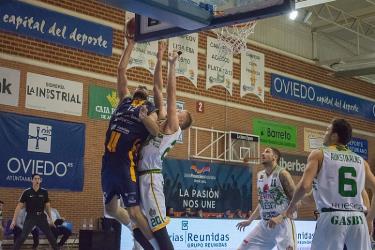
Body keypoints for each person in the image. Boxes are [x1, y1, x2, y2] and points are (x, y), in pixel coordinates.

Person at [101, 32, 160, 250]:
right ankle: (135, 232)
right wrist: (131, 44)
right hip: (108, 163)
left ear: (145, 95)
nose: (140, 86)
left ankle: (155, 246)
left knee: (134, 210)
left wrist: (145, 118)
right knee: (110, 210)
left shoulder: (149, 108)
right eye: (139, 85)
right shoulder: (125, 101)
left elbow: (155, 131)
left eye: (143, 87)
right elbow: (121, 70)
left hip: (126, 164)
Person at [286, 118, 375, 250]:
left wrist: (292, 205)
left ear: (334, 135)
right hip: (358, 219)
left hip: (332, 217)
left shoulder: (319, 154)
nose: (325, 133)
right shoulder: (361, 161)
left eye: (327, 130)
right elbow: (312, 197)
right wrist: (370, 217)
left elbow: (304, 186)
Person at [137, 42, 192, 250]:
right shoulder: (161, 120)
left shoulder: (174, 127)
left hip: (151, 178)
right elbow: (157, 90)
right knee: (137, 225)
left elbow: (170, 95)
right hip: (140, 174)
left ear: (182, 122)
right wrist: (158, 58)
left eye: (181, 113)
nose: (177, 111)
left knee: (158, 228)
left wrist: (172, 65)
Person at [236, 147, 297, 250]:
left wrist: (280, 217)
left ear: (275, 157)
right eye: (263, 151)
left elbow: (297, 203)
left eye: (267, 151)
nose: (263, 153)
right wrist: (250, 220)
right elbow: (262, 203)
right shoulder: (260, 175)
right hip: (265, 225)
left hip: (283, 224)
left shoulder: (283, 174)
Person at [10, 173, 58, 250]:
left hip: (41, 217)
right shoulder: (26, 192)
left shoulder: (44, 192)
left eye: (38, 179)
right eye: (35, 179)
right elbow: (19, 206)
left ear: (40, 181)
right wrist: (13, 220)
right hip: (30, 217)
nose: (37, 180)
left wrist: (51, 219)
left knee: (50, 235)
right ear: (32, 180)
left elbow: (48, 206)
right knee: (23, 236)